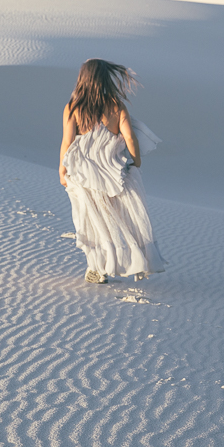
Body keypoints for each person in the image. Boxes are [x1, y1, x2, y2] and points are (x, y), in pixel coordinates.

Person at [59, 59, 165, 284]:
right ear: (105, 79)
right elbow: (129, 137)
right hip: (114, 174)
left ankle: (97, 267)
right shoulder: (116, 106)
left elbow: (67, 142)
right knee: (120, 221)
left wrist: (62, 169)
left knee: (91, 221)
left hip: (83, 175)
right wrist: (136, 162)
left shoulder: (73, 107)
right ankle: (124, 263)